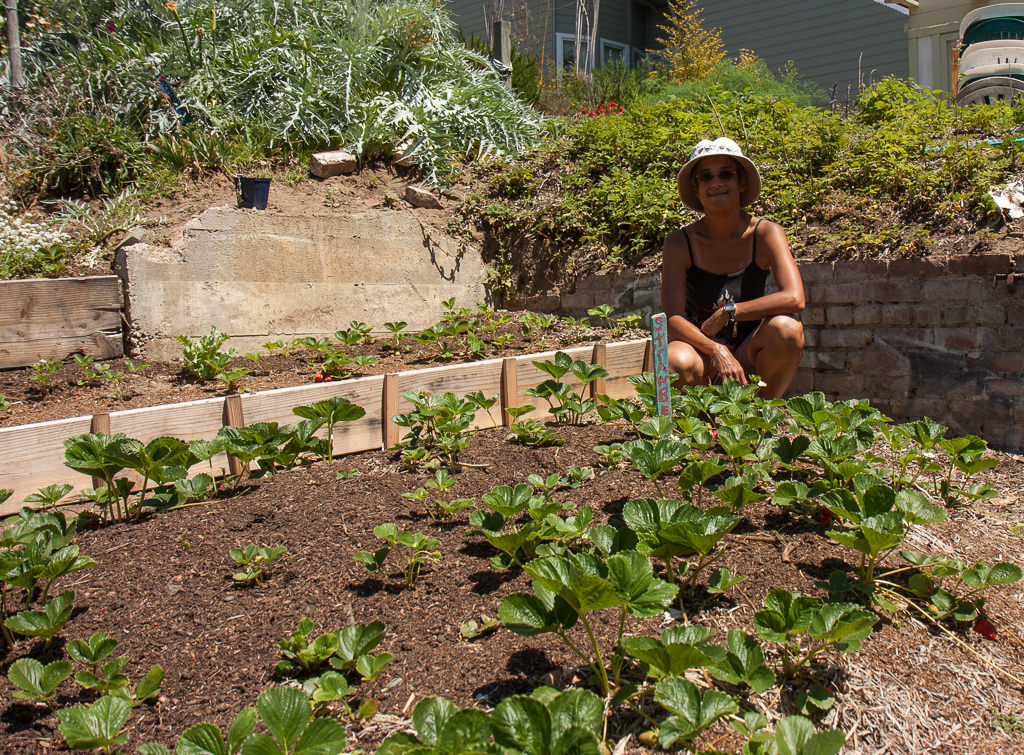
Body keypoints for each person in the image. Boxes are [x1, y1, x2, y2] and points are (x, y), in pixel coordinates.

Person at [661, 137, 805, 399]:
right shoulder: (679, 242)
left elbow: (795, 298)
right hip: (702, 353)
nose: (716, 182)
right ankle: (700, 424)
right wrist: (716, 349)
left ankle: (762, 416)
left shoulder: (766, 233)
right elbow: (673, 319)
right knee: (675, 359)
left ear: (741, 183)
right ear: (696, 188)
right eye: (706, 177)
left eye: (725, 174)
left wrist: (729, 312)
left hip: (749, 354)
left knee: (788, 329)